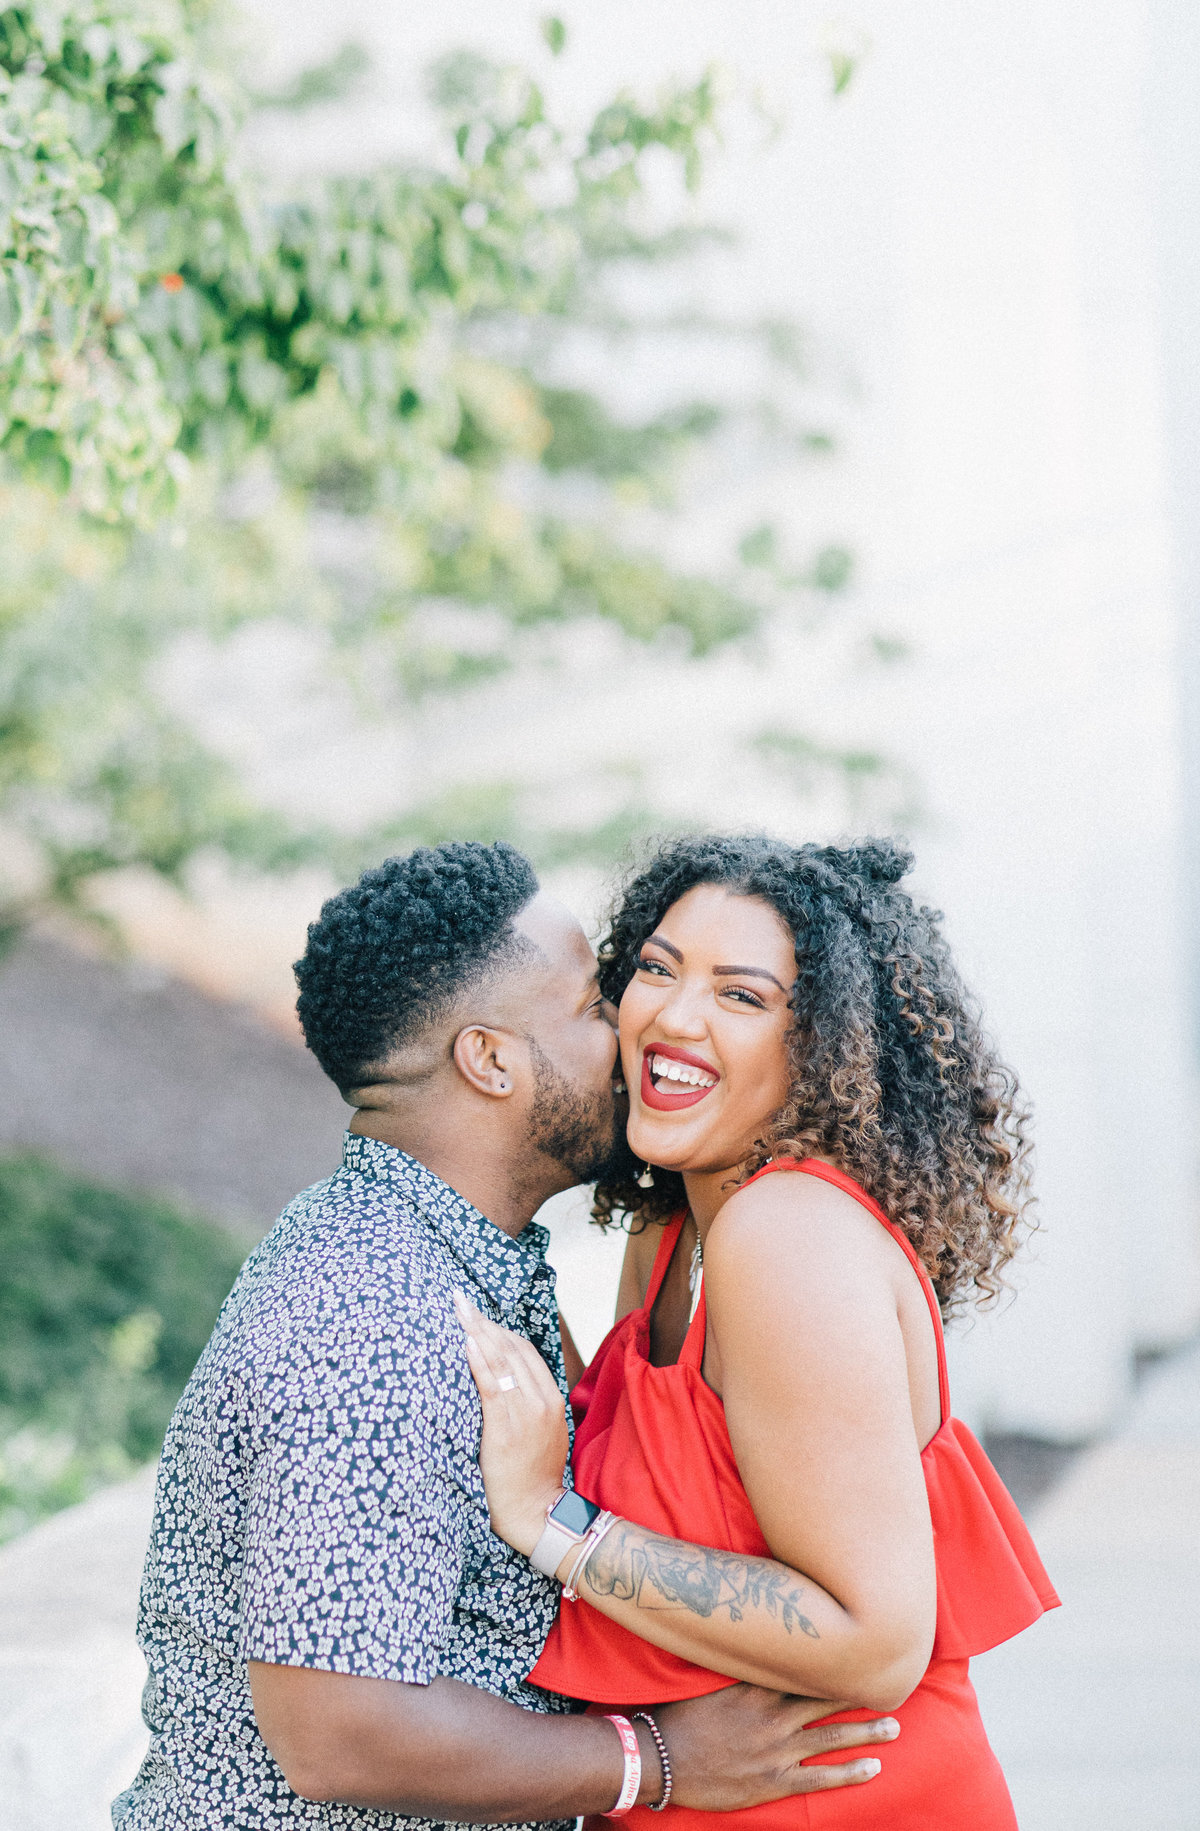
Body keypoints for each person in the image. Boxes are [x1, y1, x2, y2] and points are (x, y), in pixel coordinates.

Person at [113, 840, 897, 1831]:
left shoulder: (461, 1258)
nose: (634, 1029)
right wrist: (654, 1760)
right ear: (489, 1060)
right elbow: (340, 1725)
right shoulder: (368, 1316)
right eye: (592, 1006)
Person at [457, 834, 1060, 1831]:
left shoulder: (785, 1236)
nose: (672, 1015)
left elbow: (876, 1640)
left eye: (741, 996)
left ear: (824, 1047)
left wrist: (553, 1527)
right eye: (655, 969)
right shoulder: (675, 1223)